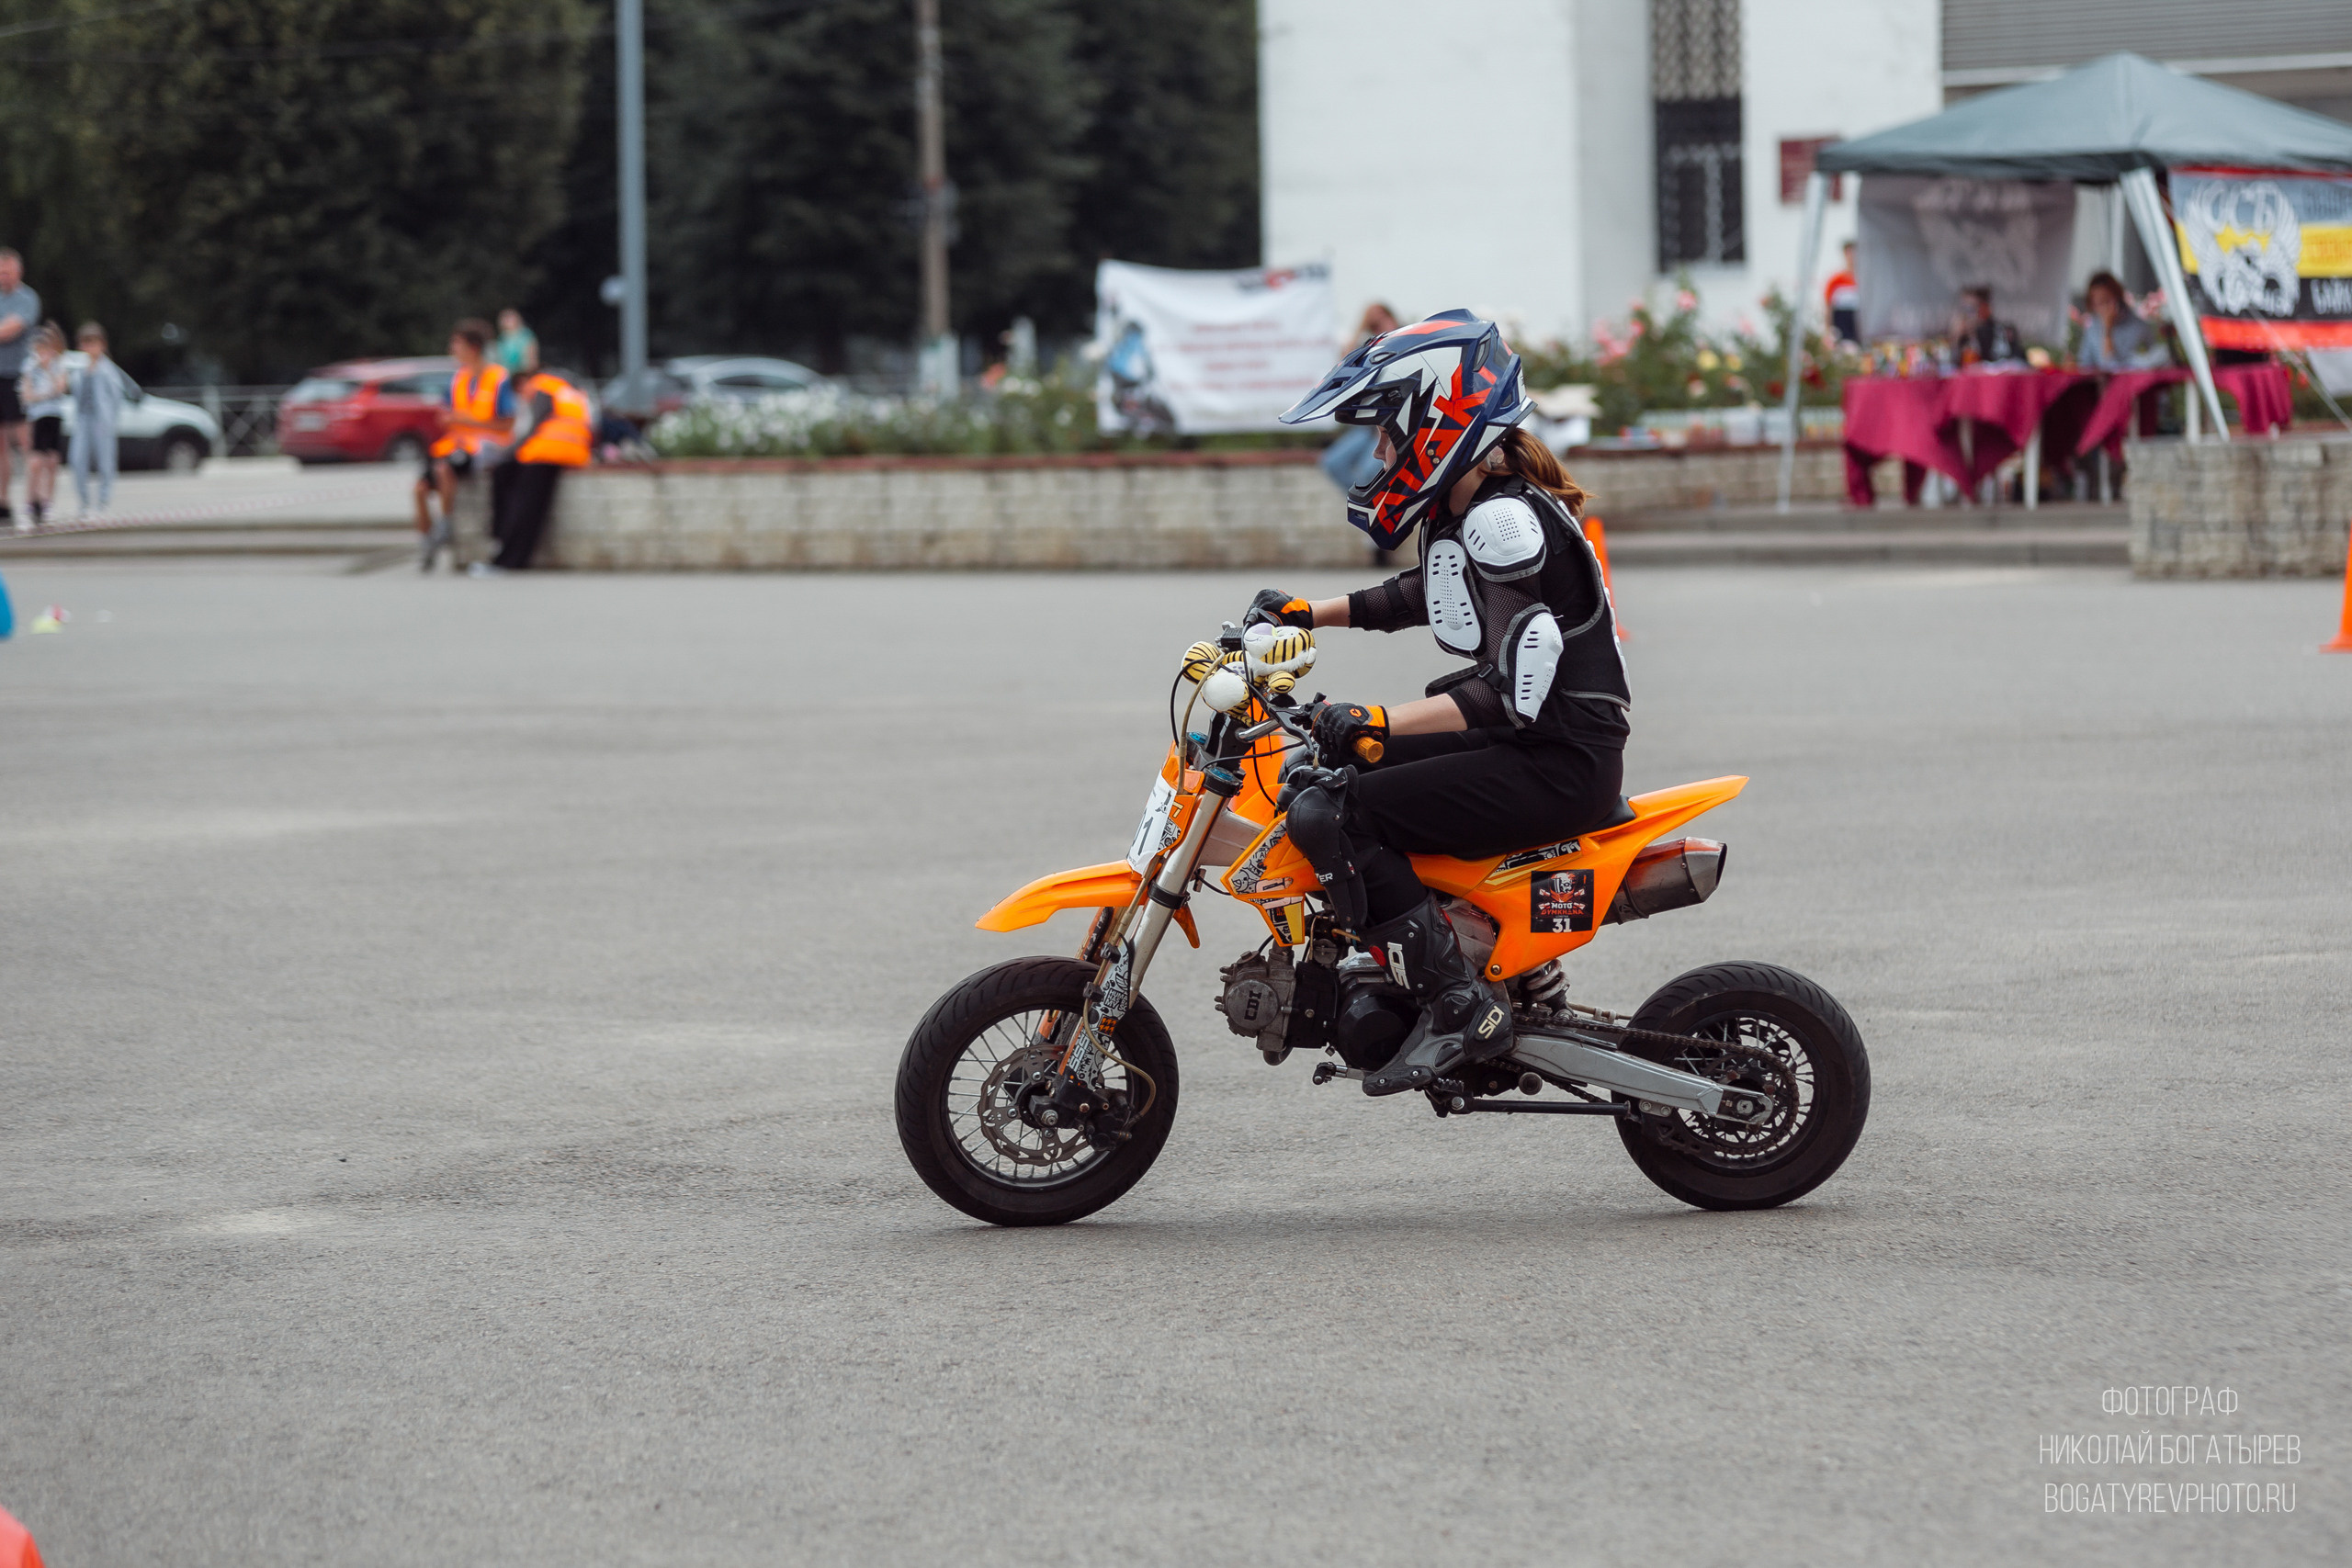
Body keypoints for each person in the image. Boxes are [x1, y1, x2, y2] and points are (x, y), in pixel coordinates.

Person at [1253, 310, 1629, 1098]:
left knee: (1339, 813)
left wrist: (1377, 720)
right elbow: (1426, 593)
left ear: (1439, 422)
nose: (1380, 453)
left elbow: (1503, 690)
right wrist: (1309, 612)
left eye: (1389, 434)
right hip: (1543, 750)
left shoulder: (1501, 518)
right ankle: (1433, 964)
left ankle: (1457, 1002)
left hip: (1557, 761)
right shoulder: (1478, 507)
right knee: (1320, 779)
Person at [414, 319, 514, 571]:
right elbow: (447, 414)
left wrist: (465, 420)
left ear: (473, 347)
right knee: (419, 488)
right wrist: (449, 420)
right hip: (455, 444)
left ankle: (445, 525)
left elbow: (507, 423)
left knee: (443, 471)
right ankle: (428, 540)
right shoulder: (459, 378)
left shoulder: (497, 378)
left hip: (484, 446)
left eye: (457, 344)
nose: (453, 350)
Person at [478, 368, 593, 573]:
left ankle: (508, 559)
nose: (522, 397)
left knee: (524, 506)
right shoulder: (569, 390)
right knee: (525, 496)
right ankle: (507, 550)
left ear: (523, 382)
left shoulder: (541, 385)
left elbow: (532, 426)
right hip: (573, 450)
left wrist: (508, 453)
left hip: (545, 450)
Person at [68, 322, 130, 515]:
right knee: (77, 460)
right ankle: (84, 502)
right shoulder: (78, 369)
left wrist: (111, 419)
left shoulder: (108, 369)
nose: (89, 349)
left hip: (102, 420)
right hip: (83, 420)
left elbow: (116, 396)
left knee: (105, 461)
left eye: (93, 344)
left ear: (102, 345)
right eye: (85, 344)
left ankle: (103, 501)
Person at [0, 250, 41, 527]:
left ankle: (34, 499)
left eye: (7, 271)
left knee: (26, 441)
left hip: (19, 377)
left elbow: (9, 330)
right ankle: (3, 502)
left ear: (19, 272)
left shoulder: (27, 299)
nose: (4, 277)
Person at [17, 323, 70, 529]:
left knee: (52, 461)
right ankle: (31, 502)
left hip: (54, 415)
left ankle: (48, 503)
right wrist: (44, 393)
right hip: (37, 417)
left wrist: (47, 371)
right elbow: (28, 395)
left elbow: (59, 388)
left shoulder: (59, 365)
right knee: (35, 462)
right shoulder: (29, 366)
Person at [2075, 271, 2168, 371]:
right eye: (2099, 304)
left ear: (2118, 298)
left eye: (2107, 301)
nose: (2105, 308)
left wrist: (2108, 330)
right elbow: (2085, 366)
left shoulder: (2138, 327)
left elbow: (2113, 367)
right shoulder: (2092, 330)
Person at [1951, 286, 2023, 366]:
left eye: (1970, 309)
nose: (1966, 315)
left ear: (1985, 308)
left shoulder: (2003, 331)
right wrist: (1956, 338)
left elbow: (2017, 361)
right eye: (1963, 309)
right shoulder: (1963, 335)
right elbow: (1955, 365)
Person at [1824, 240, 1860, 346]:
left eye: (1854, 252)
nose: (1852, 256)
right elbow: (1828, 309)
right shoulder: (1835, 281)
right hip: (1843, 335)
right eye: (1849, 253)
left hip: (1861, 332)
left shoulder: (1865, 281)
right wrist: (1828, 333)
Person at [491, 308, 539, 377]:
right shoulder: (502, 337)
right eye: (505, 318)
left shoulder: (525, 335)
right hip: (505, 373)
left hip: (522, 373)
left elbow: (531, 358)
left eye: (509, 318)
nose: (507, 321)